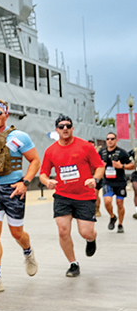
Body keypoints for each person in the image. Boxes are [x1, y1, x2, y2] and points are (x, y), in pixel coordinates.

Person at [0, 99, 40, 292]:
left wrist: (25, 182)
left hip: (13, 189)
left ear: (6, 115)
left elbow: (35, 160)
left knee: (17, 233)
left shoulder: (18, 136)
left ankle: (28, 252)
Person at [39, 115, 104, 278]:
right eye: (61, 126)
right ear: (57, 130)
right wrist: (47, 181)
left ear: (73, 128)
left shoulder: (85, 146)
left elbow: (100, 166)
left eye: (68, 125)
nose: (65, 128)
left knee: (86, 232)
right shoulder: (51, 151)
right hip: (62, 196)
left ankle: (91, 239)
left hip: (84, 196)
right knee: (63, 231)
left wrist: (95, 179)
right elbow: (43, 173)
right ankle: (73, 263)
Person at [99, 131, 135, 233]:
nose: (110, 141)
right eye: (108, 139)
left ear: (116, 140)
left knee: (119, 203)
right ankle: (112, 216)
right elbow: (95, 164)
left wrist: (121, 166)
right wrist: (100, 166)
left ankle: (120, 224)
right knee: (107, 201)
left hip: (120, 182)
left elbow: (132, 165)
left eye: (112, 139)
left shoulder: (122, 152)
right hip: (107, 181)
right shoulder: (101, 152)